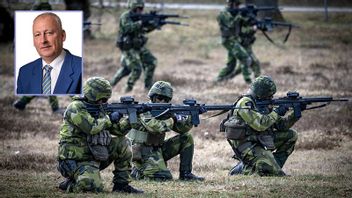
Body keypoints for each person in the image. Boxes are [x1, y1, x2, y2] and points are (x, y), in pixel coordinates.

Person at [57, 77, 143, 193]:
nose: (103, 102)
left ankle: (121, 185)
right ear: (92, 95)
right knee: (93, 188)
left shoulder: (100, 109)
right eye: (101, 99)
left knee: (123, 142)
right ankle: (72, 183)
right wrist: (109, 118)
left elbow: (118, 131)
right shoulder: (75, 107)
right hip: (75, 160)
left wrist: (132, 118)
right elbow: (91, 127)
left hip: (95, 155)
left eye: (105, 99)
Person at [127, 81, 205, 181]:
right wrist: (173, 119)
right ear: (153, 97)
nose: (162, 101)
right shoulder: (144, 110)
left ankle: (186, 174)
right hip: (142, 152)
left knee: (186, 137)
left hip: (157, 149)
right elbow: (155, 127)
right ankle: (138, 172)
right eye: (159, 98)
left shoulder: (166, 111)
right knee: (163, 177)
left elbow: (182, 129)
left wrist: (192, 115)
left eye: (166, 99)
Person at [223, 76, 298, 176]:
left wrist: (296, 113)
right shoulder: (245, 103)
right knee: (271, 172)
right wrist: (277, 112)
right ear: (262, 92)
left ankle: (272, 167)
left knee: (291, 135)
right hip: (246, 145)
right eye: (269, 95)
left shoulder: (264, 103)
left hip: (260, 140)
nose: (271, 97)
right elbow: (260, 125)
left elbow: (282, 126)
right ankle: (244, 169)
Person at [16, 12, 82, 94]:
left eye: (49, 33)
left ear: (62, 36)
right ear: (33, 40)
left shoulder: (81, 68)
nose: (43, 40)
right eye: (37, 35)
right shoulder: (25, 72)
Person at [111, 0, 157, 92]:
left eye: (141, 8)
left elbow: (145, 30)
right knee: (136, 69)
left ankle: (148, 87)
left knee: (151, 62)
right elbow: (127, 28)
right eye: (138, 8)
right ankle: (127, 89)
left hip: (139, 46)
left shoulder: (140, 17)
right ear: (133, 7)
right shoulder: (126, 16)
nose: (140, 10)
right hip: (128, 47)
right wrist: (140, 23)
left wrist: (154, 24)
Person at [216, 0, 260, 84]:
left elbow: (244, 23)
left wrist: (250, 16)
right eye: (236, 4)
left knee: (231, 65)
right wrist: (239, 15)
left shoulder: (235, 13)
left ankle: (220, 79)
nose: (238, 7)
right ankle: (248, 81)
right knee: (245, 58)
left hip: (235, 40)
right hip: (228, 41)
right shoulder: (223, 13)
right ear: (231, 4)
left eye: (238, 5)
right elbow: (231, 24)